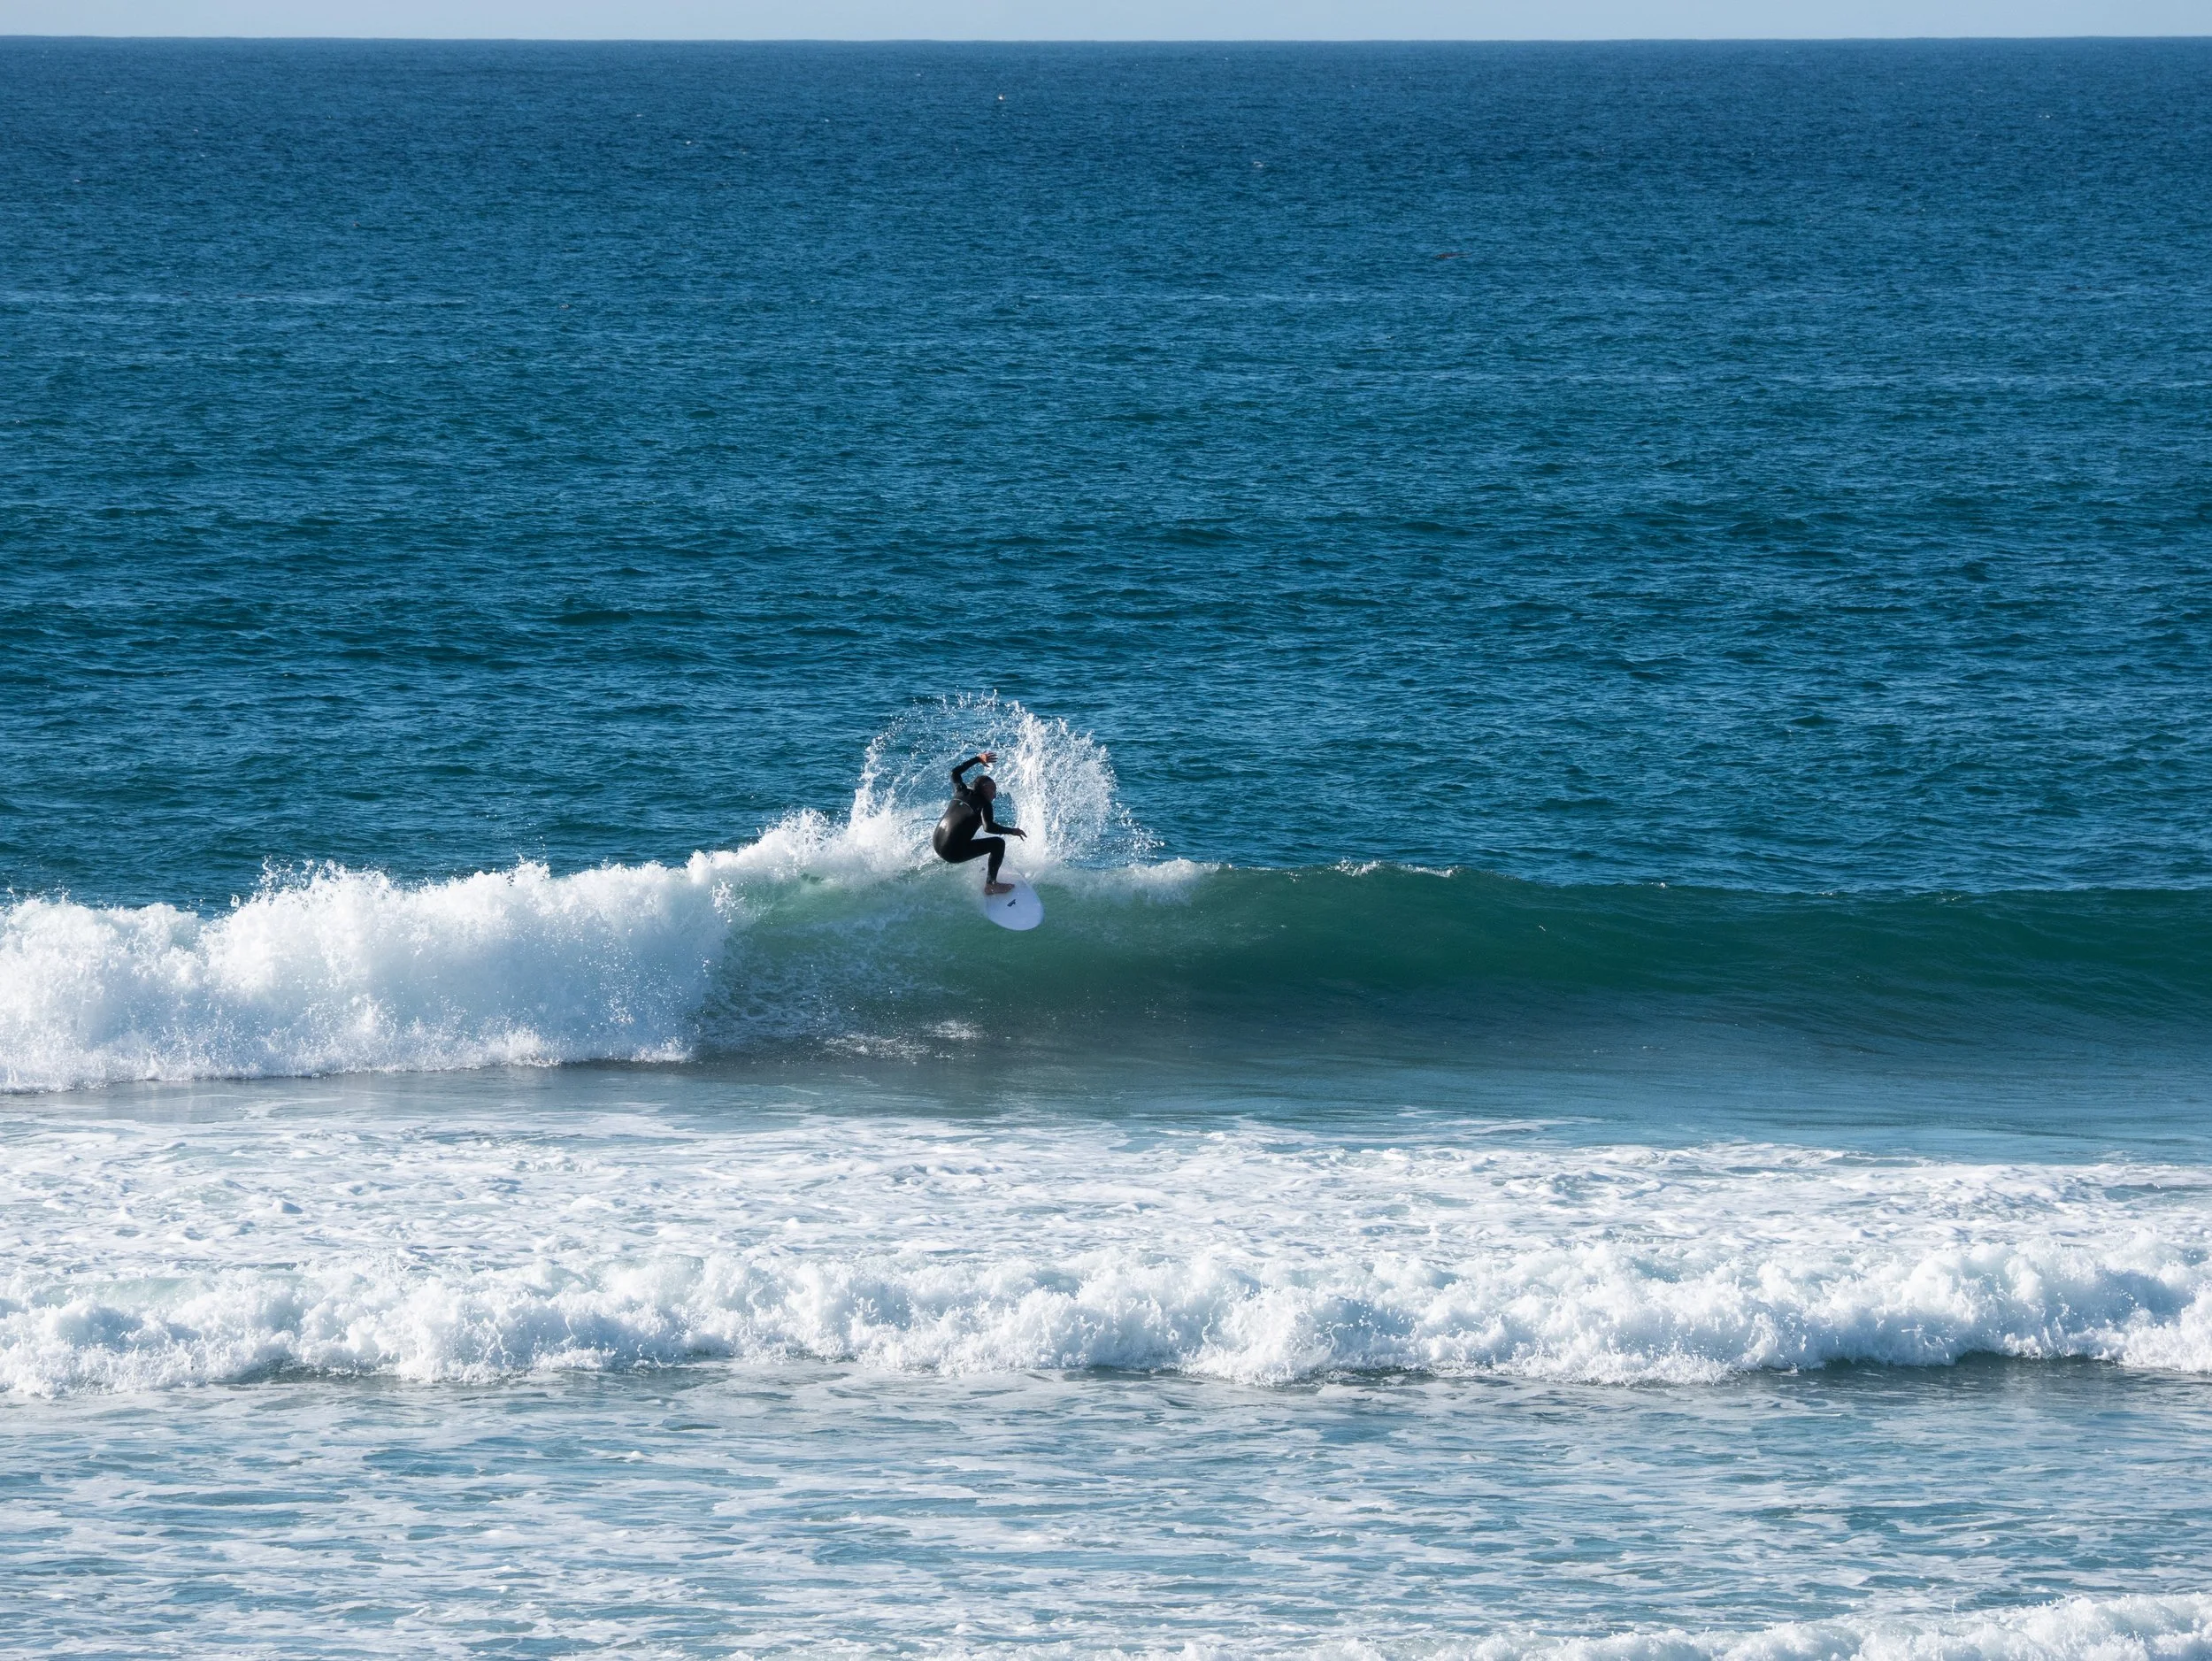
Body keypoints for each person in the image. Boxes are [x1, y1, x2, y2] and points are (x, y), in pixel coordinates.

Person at [933, 750, 1026, 894]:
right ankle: (991, 885)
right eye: (992, 791)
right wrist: (1012, 831)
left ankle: (979, 860)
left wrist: (977, 759)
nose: (994, 795)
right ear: (984, 790)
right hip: (952, 854)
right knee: (998, 844)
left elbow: (954, 773)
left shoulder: (961, 791)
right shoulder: (984, 804)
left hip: (937, 844)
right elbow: (988, 827)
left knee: (967, 830)